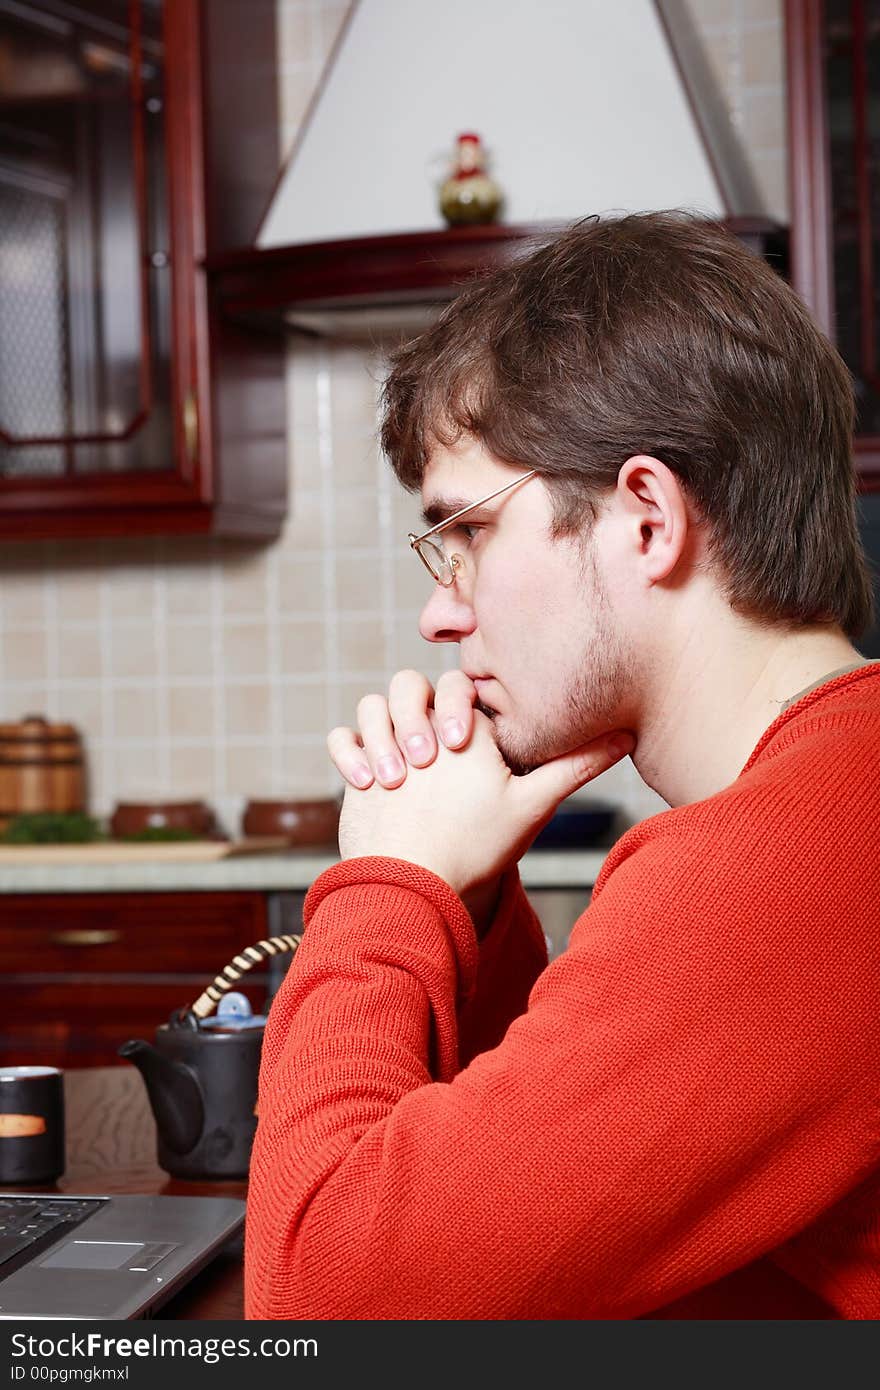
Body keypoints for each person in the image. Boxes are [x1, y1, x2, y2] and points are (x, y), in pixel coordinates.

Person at [245, 211, 880, 1320]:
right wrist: (474, 900)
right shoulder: (824, 794)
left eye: (469, 532)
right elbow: (546, 1216)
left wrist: (389, 888)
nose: (441, 613)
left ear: (644, 518)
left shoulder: (775, 866)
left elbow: (319, 1304)